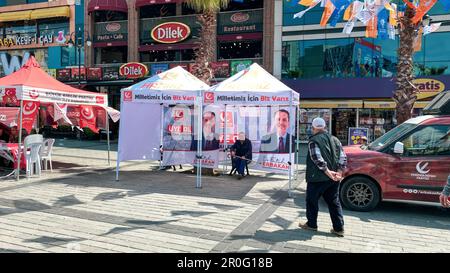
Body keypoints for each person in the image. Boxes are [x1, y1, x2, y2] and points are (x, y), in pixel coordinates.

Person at [299, 117, 347, 237]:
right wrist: (339, 172)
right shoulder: (335, 139)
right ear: (325, 127)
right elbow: (343, 157)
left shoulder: (313, 140)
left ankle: (312, 225)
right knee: (333, 201)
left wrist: (328, 172)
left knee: (312, 200)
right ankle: (339, 228)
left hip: (318, 178)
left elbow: (317, 159)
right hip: (334, 178)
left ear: (313, 128)